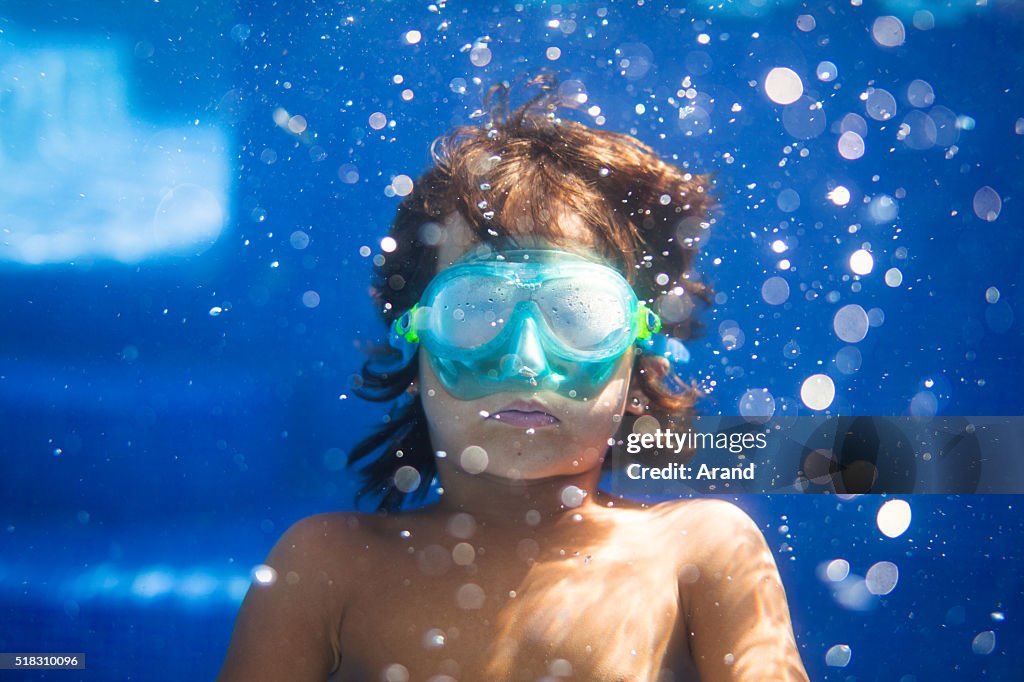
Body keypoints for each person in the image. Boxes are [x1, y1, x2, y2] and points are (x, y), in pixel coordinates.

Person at [217, 73, 809, 682]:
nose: (526, 359)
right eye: (476, 311)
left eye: (577, 315)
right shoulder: (325, 566)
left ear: (636, 355)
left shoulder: (698, 552)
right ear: (416, 339)